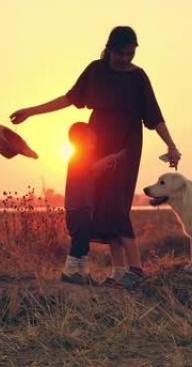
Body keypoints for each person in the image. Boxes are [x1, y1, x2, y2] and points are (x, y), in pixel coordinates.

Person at [10, 26, 181, 289]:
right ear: (110, 49)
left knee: (116, 205)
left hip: (126, 147)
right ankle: (118, 272)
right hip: (96, 144)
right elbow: (68, 98)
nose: (126, 59)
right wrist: (30, 112)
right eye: (121, 54)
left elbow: (154, 115)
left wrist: (171, 145)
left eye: (131, 53)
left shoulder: (138, 78)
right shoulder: (96, 71)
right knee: (101, 206)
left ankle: (135, 271)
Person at [61, 122, 126, 285]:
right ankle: (68, 272)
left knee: (83, 243)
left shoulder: (81, 157)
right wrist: (114, 157)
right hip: (78, 208)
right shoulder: (79, 155)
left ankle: (84, 274)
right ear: (82, 139)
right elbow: (94, 168)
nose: (95, 137)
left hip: (84, 207)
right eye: (91, 135)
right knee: (80, 241)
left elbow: (92, 172)